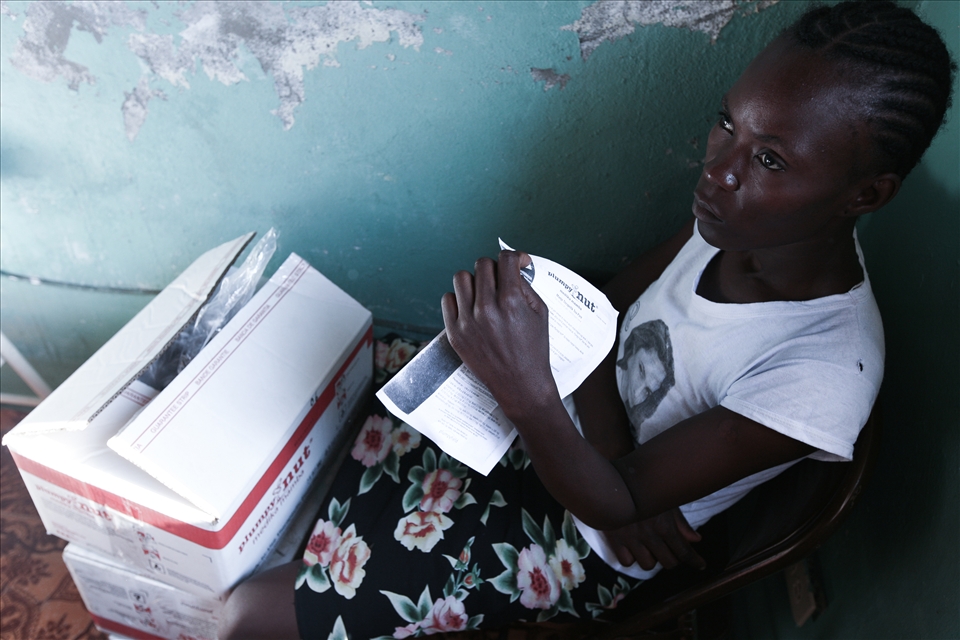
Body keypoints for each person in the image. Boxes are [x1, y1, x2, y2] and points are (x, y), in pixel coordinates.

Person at [219, 2, 956, 637]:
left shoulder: (823, 374)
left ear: (866, 195)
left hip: (582, 537)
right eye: (727, 125)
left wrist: (543, 404)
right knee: (328, 410)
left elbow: (616, 508)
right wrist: (602, 447)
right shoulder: (740, 222)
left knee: (248, 615)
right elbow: (605, 315)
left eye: (769, 160)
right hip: (573, 437)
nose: (719, 171)